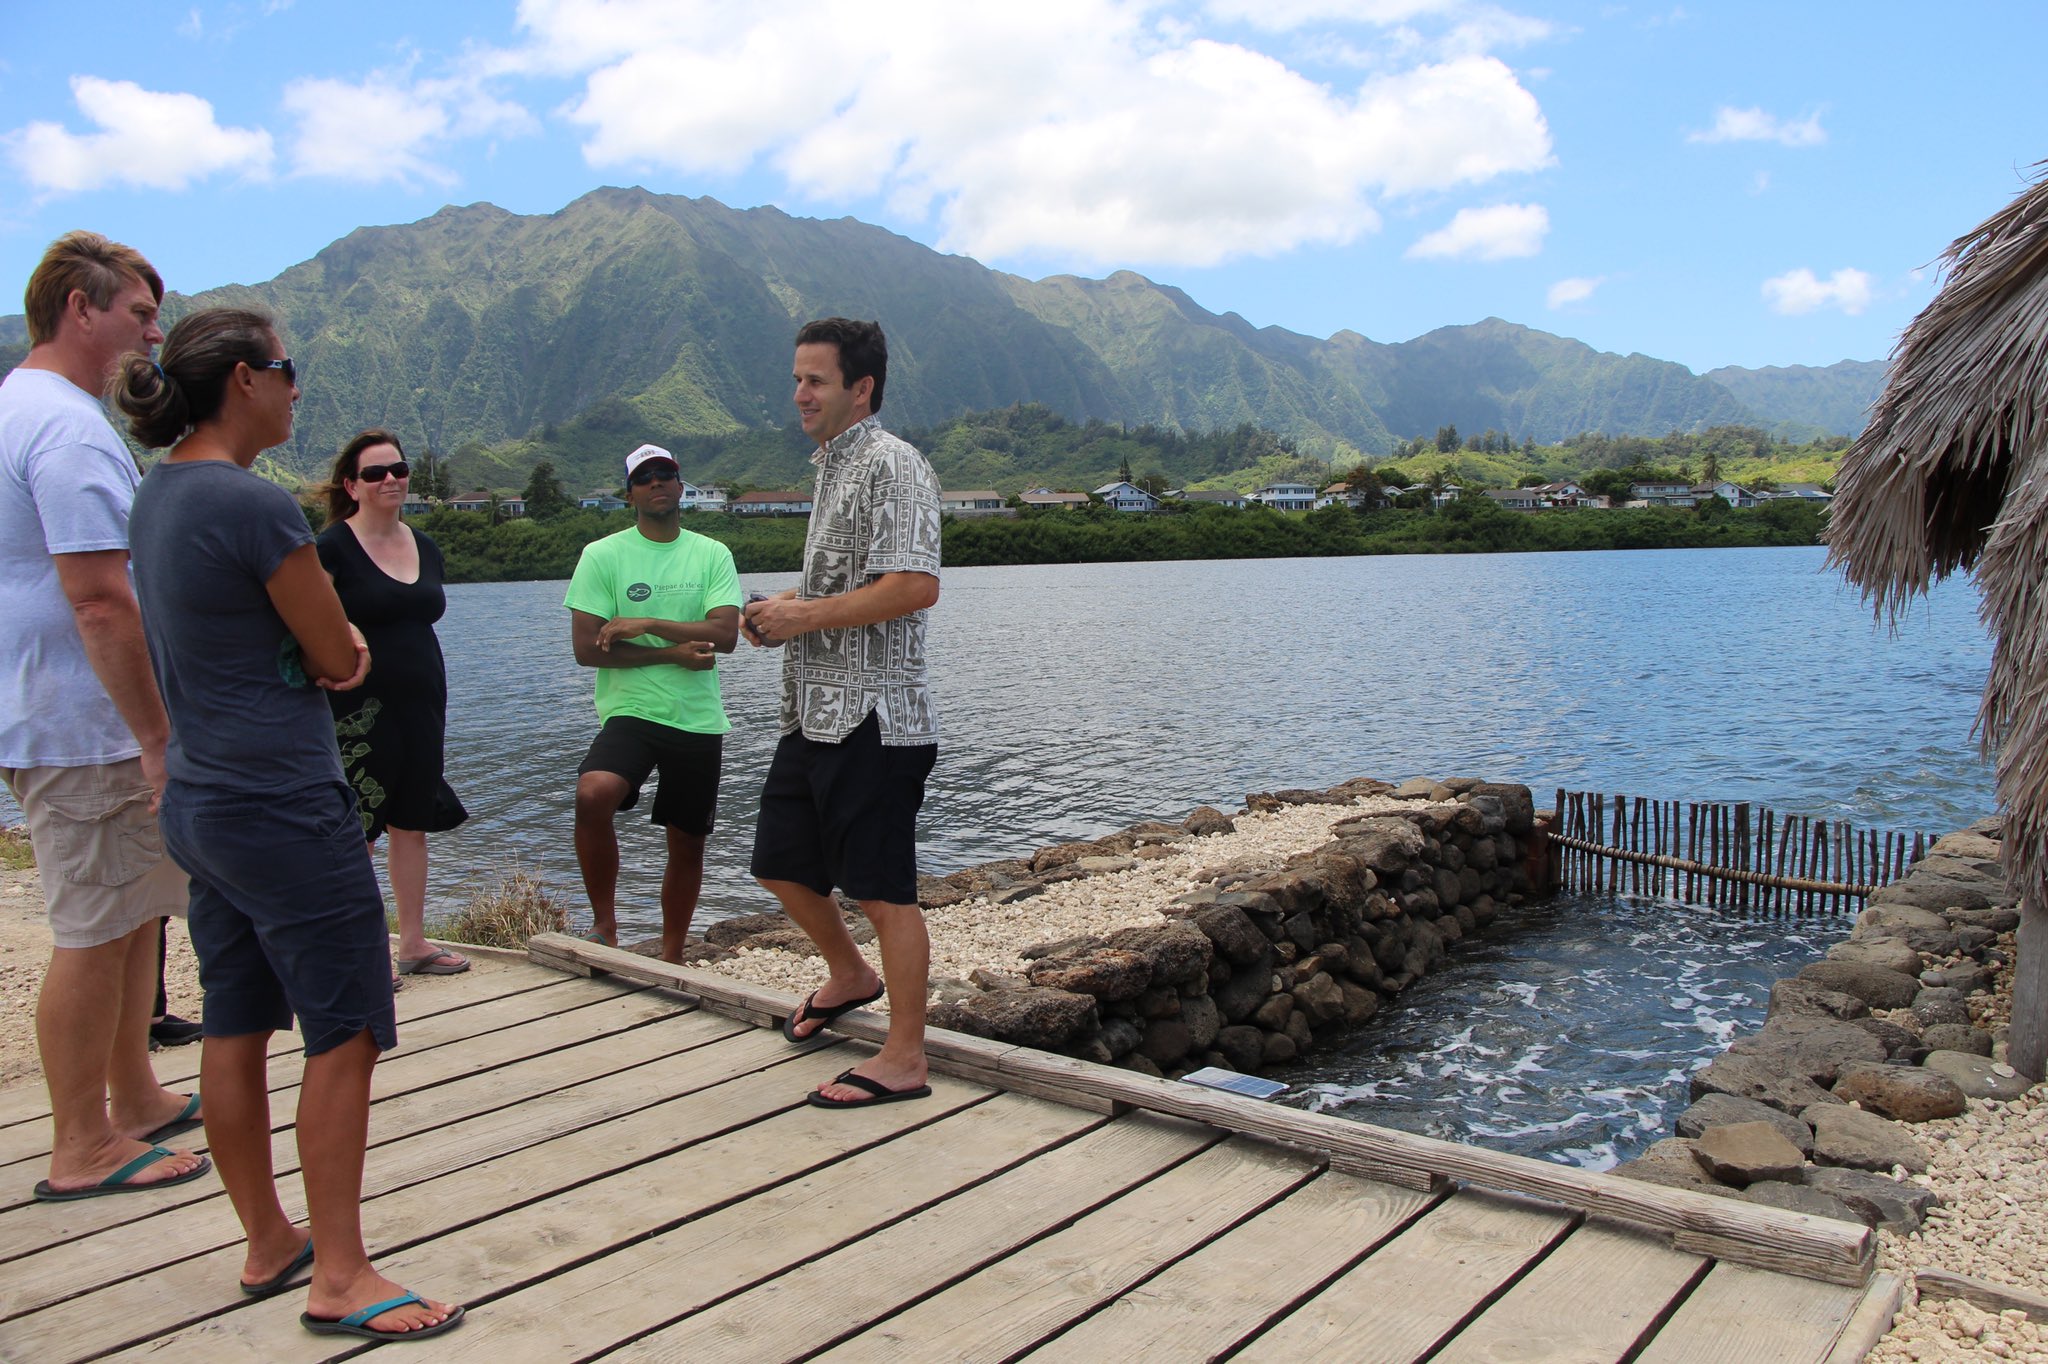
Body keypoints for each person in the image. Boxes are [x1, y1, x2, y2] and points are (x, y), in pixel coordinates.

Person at [118, 307, 462, 1342]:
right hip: (283, 800)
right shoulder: (252, 506)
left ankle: (270, 1238)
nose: (297, 387)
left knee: (234, 1017)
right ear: (240, 381)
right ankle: (343, 1273)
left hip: (202, 801)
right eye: (286, 368)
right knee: (347, 1025)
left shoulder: (156, 495)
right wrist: (345, 638)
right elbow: (337, 656)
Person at [0, 230, 209, 1200]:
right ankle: (81, 1141)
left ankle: (135, 1091)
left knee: (131, 914)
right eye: (138, 313)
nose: (152, 334)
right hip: (88, 723)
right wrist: (158, 732)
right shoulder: (69, 427)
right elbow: (99, 595)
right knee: (92, 926)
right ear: (79, 310)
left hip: (62, 714)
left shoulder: (20, 407)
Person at [743, 318, 942, 1109]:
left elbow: (913, 585)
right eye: (797, 378)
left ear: (861, 388)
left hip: (876, 716)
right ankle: (849, 975)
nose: (800, 394)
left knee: (886, 891)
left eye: (816, 380)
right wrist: (785, 610)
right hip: (814, 710)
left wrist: (805, 616)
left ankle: (904, 1059)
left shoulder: (895, 465)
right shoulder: (833, 466)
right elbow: (851, 581)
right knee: (778, 862)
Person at [564, 443, 741, 962]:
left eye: (666, 475)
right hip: (631, 713)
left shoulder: (711, 554)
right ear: (630, 494)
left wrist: (649, 625)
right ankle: (604, 925)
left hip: (697, 719)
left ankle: (671, 953)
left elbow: (725, 634)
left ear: (681, 486)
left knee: (686, 841)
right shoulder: (603, 555)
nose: (657, 484)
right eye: (645, 478)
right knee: (593, 794)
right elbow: (584, 648)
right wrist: (671, 656)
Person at [317, 429, 469, 976]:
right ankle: (358, 952)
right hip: (358, 705)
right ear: (350, 485)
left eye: (398, 470)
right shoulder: (331, 546)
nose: (390, 480)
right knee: (359, 825)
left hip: (424, 698)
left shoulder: (424, 545)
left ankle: (412, 942)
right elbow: (305, 618)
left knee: (412, 818)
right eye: (376, 473)